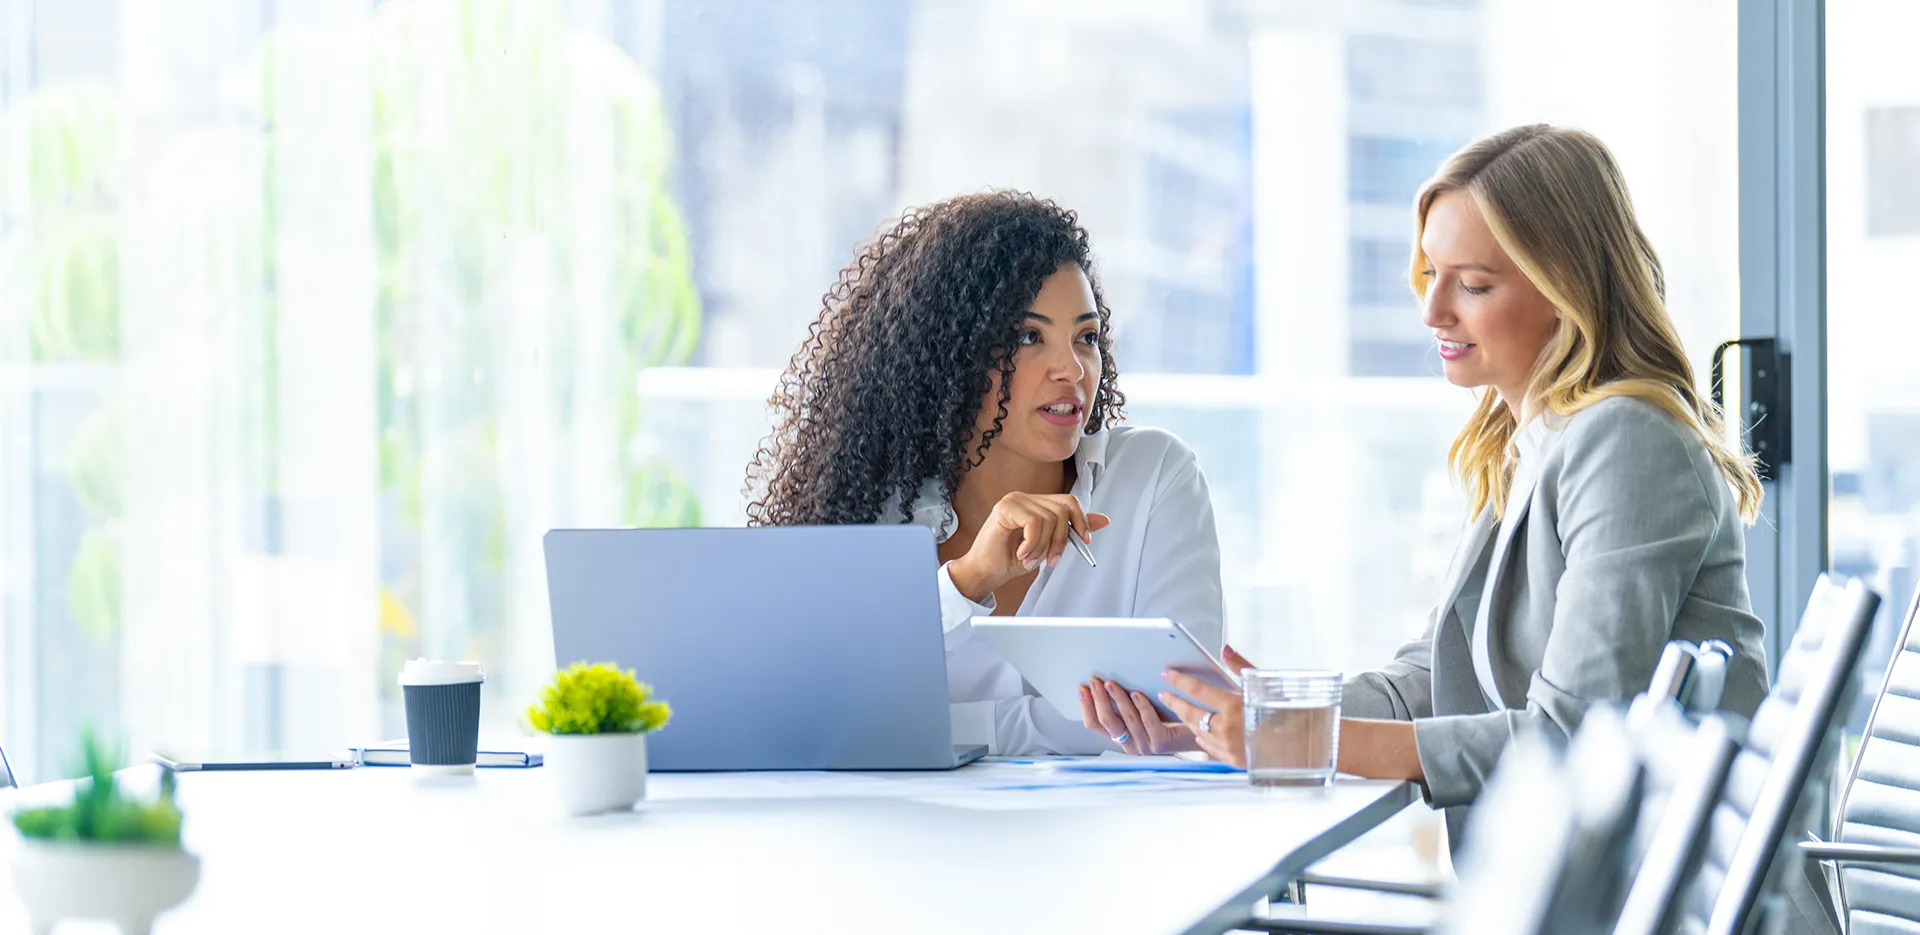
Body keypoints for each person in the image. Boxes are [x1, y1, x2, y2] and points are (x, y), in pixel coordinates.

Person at [1094, 125, 1768, 843]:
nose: (1432, 310)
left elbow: (1574, 737)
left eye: (1473, 284)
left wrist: (1302, 739)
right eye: (1430, 274)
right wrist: (1246, 715)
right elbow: (1434, 676)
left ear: (1563, 289)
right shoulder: (1529, 440)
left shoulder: (1626, 442)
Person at [745, 191, 1225, 756]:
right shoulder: (871, 505)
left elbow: (1192, 714)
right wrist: (967, 581)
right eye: (1029, 337)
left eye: (1086, 338)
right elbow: (817, 716)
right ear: (952, 354)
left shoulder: (1154, 479)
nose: (1071, 368)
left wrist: (944, 730)